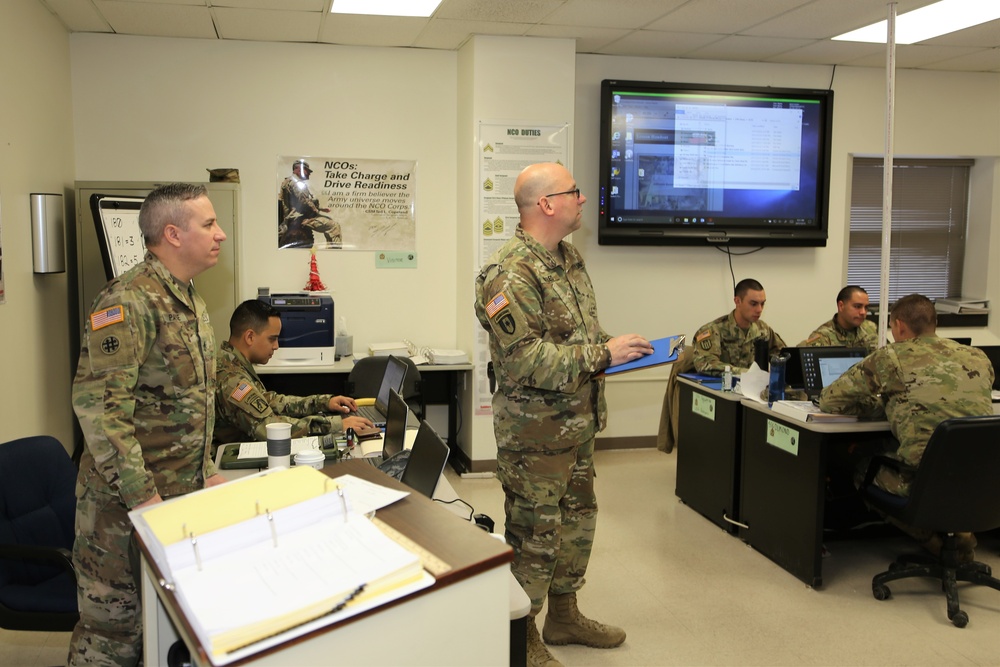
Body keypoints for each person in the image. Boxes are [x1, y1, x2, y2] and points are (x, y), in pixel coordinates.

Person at [474, 162, 653, 667]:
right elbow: (526, 359)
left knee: (576, 523)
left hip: (577, 425)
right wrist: (603, 355)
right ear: (547, 204)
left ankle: (565, 614)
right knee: (534, 533)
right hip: (534, 436)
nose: (583, 198)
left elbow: (576, 338)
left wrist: (623, 348)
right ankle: (522, 634)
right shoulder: (507, 273)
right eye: (573, 191)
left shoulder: (568, 258)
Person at [69, 183, 228, 666]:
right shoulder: (128, 301)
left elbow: (188, 401)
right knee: (114, 636)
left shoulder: (189, 298)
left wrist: (206, 471)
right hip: (123, 509)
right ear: (173, 234)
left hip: (173, 500)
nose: (221, 234)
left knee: (161, 631)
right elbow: (100, 408)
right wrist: (143, 497)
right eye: (209, 224)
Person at [819, 293, 993, 560]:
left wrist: (873, 405)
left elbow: (830, 400)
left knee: (860, 465)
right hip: (980, 482)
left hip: (920, 483)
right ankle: (962, 539)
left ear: (899, 326)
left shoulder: (891, 356)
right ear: (935, 324)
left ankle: (935, 543)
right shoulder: (978, 357)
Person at [214, 299, 373, 443]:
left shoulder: (232, 362)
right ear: (249, 337)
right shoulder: (231, 378)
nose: (276, 346)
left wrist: (323, 402)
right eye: (272, 338)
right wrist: (336, 424)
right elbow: (270, 427)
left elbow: (271, 402)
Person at [692, 278, 786, 375]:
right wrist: (746, 373)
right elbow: (705, 364)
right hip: (722, 387)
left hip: (754, 387)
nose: (759, 309)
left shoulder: (763, 329)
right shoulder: (712, 330)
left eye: (762, 304)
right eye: (753, 304)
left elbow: (783, 355)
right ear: (737, 301)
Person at [278, 158, 342, 248]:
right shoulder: (296, 183)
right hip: (300, 218)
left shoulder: (287, 182)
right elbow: (306, 203)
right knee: (334, 226)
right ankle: (335, 253)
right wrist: (317, 211)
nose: (309, 173)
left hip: (294, 217)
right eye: (307, 170)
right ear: (298, 169)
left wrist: (320, 208)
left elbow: (298, 202)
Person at [799, 285, 877, 351]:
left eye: (866, 307)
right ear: (841, 306)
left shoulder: (871, 328)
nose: (863, 312)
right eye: (857, 306)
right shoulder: (823, 337)